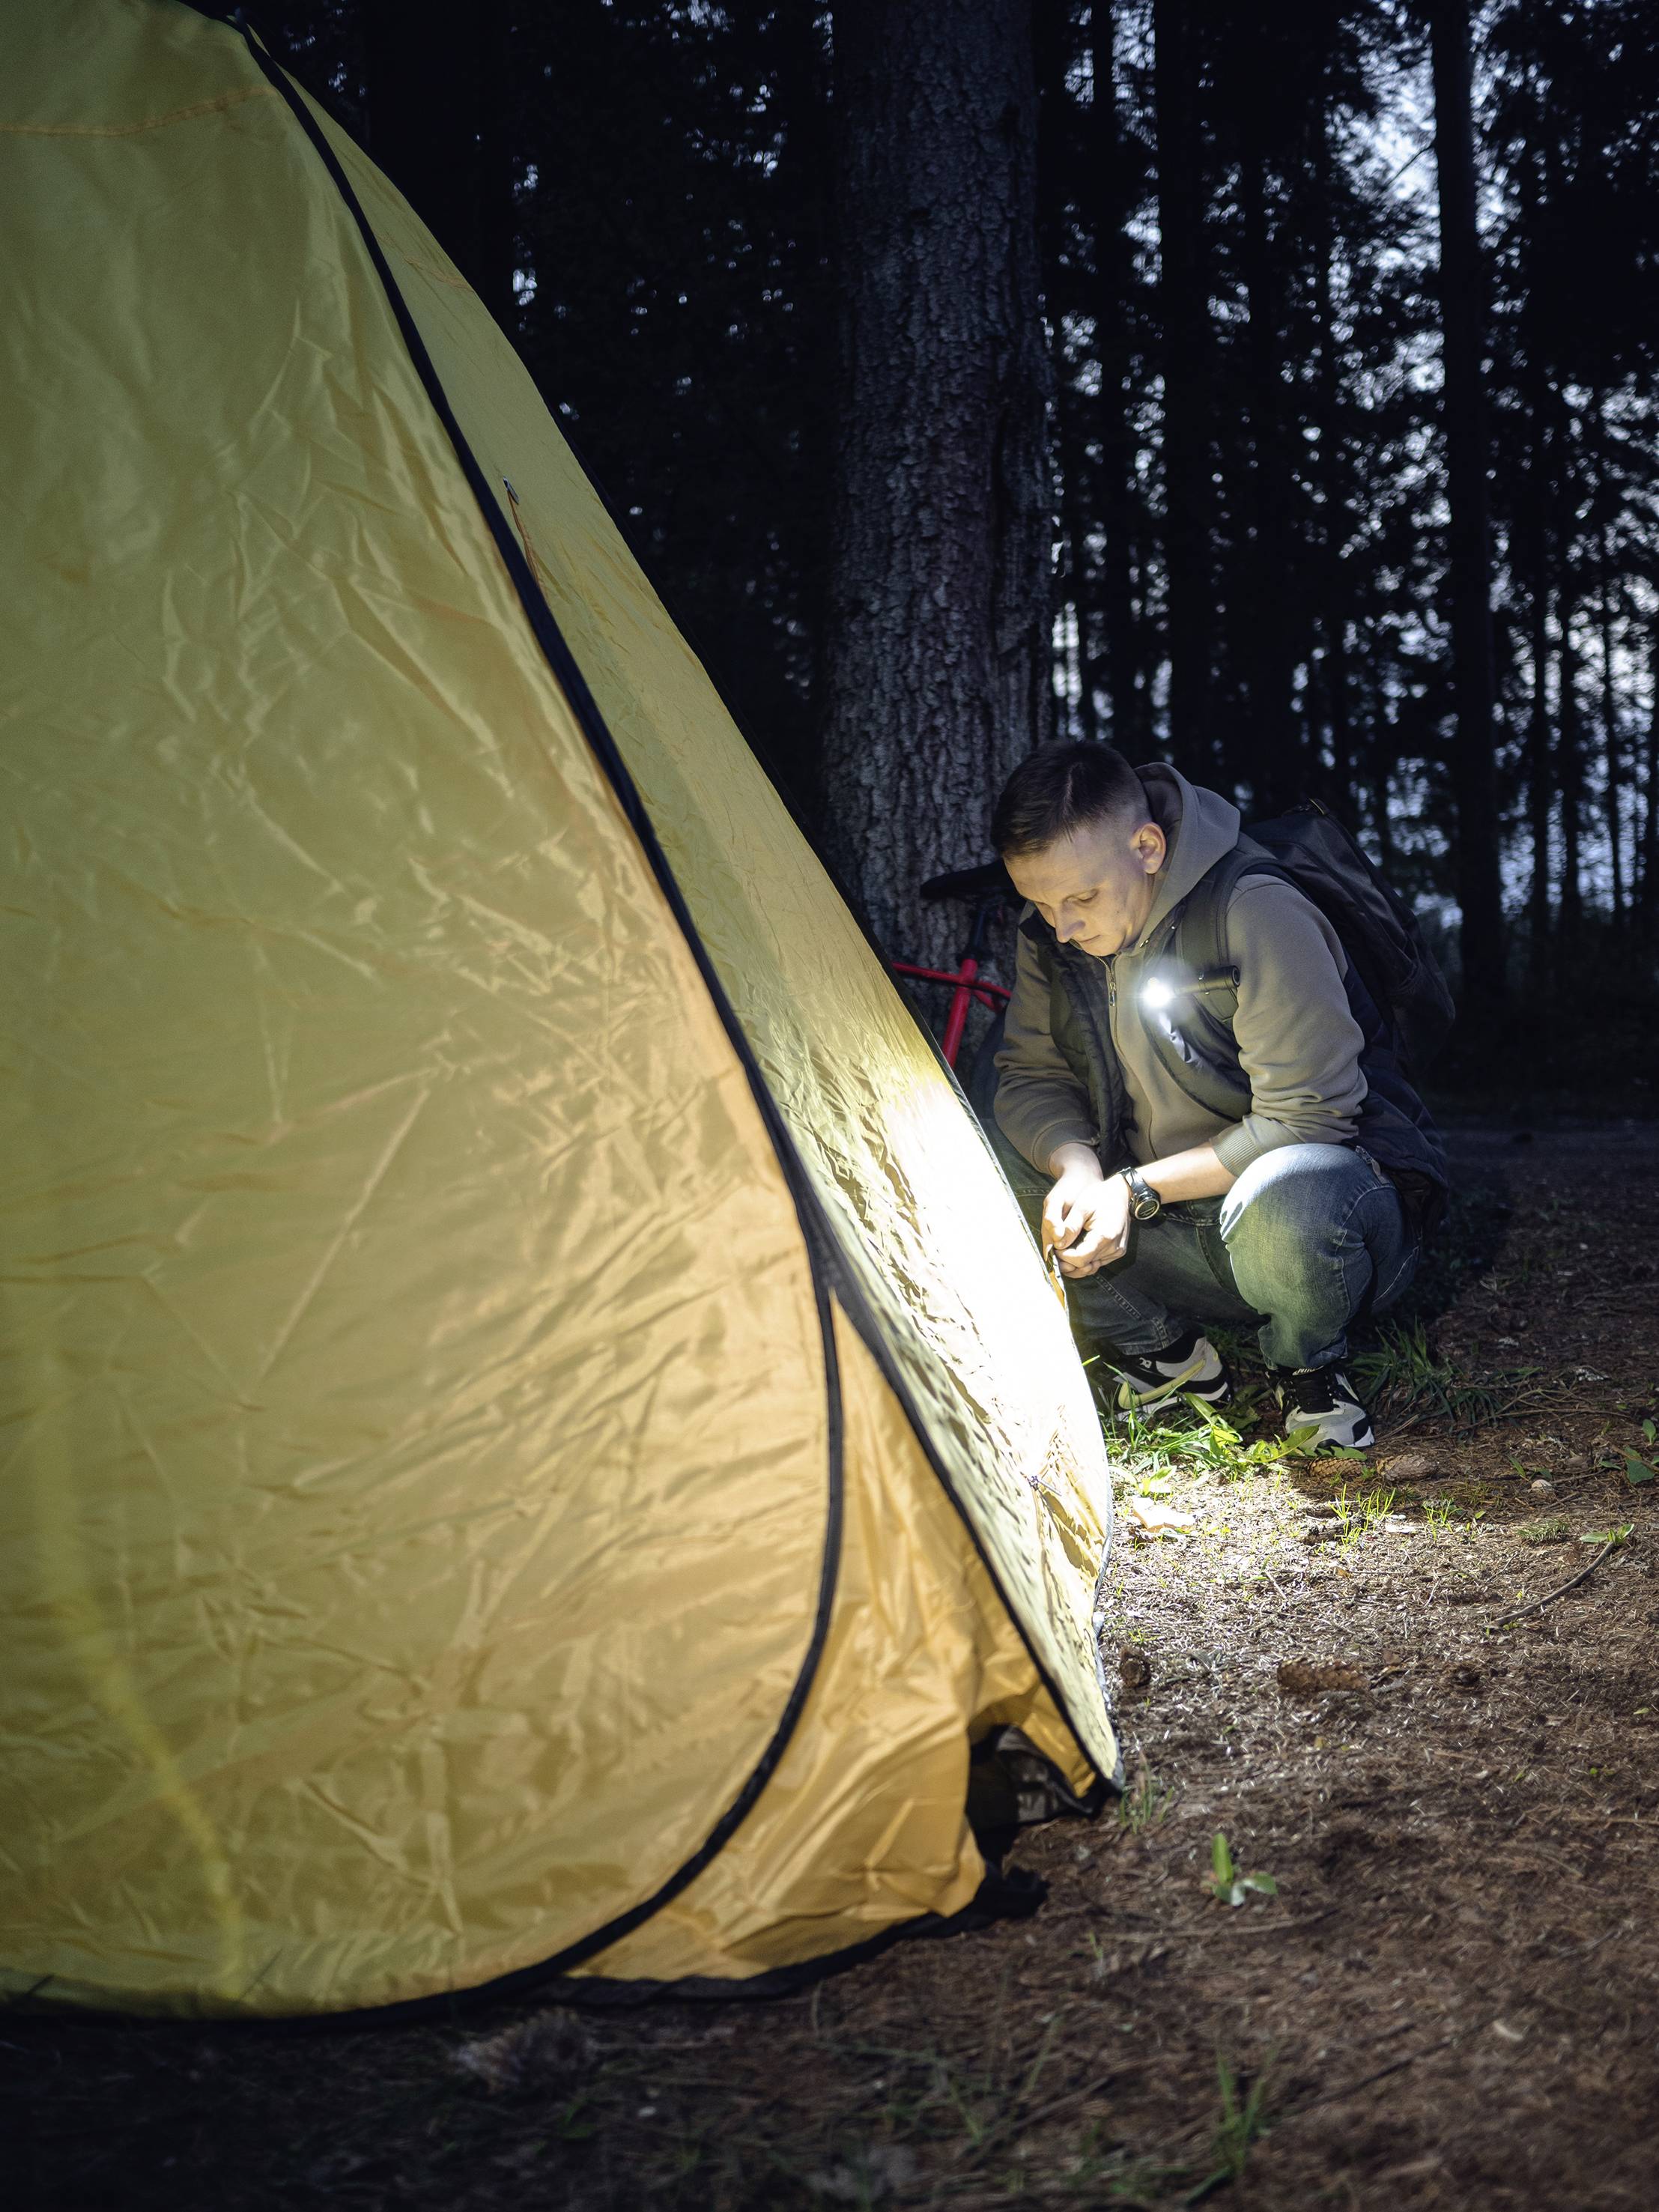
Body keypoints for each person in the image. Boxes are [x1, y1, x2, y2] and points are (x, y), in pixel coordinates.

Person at [989, 743, 1448, 1451]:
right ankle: (1165, 1354)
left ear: (1146, 846)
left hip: (1314, 1228)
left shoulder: (1254, 906)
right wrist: (1077, 1167)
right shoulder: (1053, 937)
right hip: (1170, 1235)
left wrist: (1133, 1189)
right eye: (1041, 903)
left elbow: (1308, 1118)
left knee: (1291, 1189)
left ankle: (1310, 1370)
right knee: (979, 1157)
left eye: (1081, 897)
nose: (1064, 928)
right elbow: (1029, 1077)